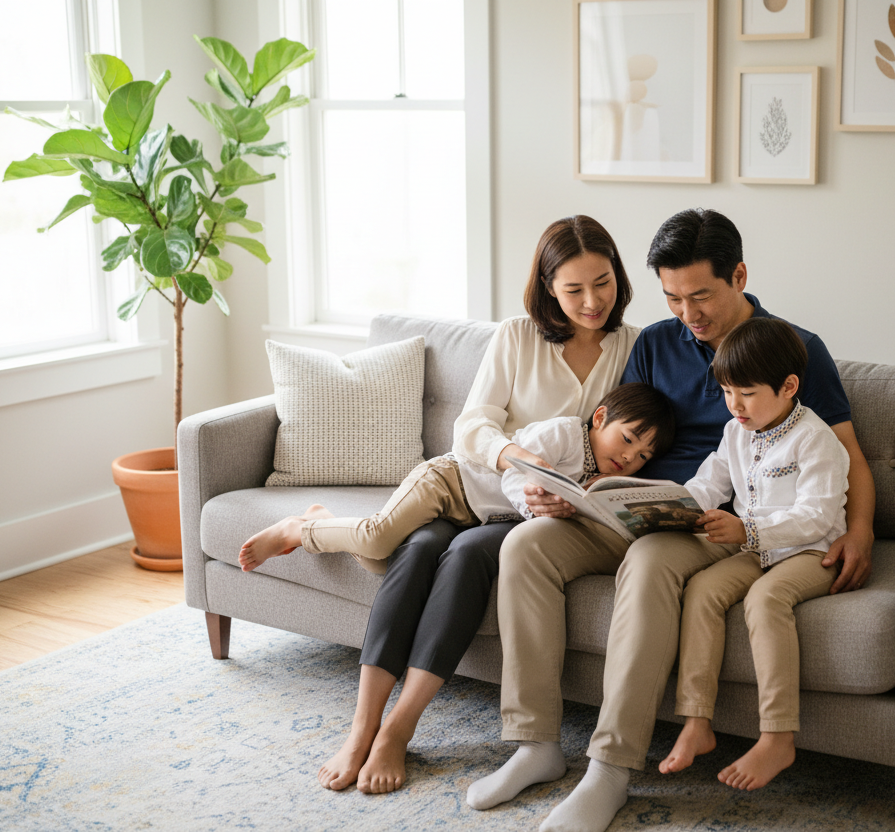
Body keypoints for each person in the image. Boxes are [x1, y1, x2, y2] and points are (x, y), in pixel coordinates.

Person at [467, 208, 875, 832]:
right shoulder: (657, 343)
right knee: (526, 546)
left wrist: (862, 531)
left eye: (702, 296)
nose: (690, 314)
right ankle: (536, 744)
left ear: (739, 275)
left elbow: (846, 454)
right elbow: (617, 431)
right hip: (641, 503)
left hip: (725, 523)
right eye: (674, 297)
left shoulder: (793, 349)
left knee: (652, 559)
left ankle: (610, 768)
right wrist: (580, 492)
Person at [242, 215, 642, 796]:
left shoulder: (635, 348)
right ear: (549, 286)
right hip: (469, 485)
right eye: (574, 288)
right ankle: (362, 729)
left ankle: (397, 731)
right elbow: (472, 425)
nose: (591, 301)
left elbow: (632, 445)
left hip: (520, 519)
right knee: (410, 551)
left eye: (602, 283)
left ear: (619, 277)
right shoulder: (516, 335)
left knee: (463, 559)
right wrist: (514, 459)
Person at [658, 317, 849, 791]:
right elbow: (709, 482)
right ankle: (698, 722)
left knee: (765, 600)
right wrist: (673, 508)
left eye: (746, 393)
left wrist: (746, 528)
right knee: (702, 590)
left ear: (788, 387)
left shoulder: (815, 438)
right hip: (756, 546)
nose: (734, 406)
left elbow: (818, 516)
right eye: (726, 392)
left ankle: (777, 736)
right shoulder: (736, 432)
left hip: (810, 551)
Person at [238, 382, 675, 575]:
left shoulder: (596, 478)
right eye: (628, 438)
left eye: (643, 456)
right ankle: (300, 527)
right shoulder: (564, 433)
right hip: (448, 481)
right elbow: (511, 477)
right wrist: (535, 508)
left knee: (379, 563)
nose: (629, 456)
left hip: (471, 516)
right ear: (600, 418)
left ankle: (323, 517)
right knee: (374, 539)